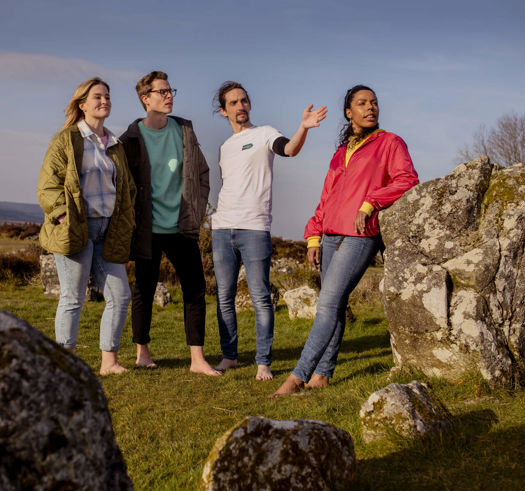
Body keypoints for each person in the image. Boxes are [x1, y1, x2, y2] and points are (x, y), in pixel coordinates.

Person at [273, 85, 419, 396]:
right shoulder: (341, 152)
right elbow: (327, 198)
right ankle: (323, 374)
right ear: (348, 112)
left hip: (360, 235)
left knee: (327, 303)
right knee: (334, 305)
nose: (371, 108)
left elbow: (407, 179)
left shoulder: (390, 143)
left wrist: (371, 203)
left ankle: (298, 377)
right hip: (329, 235)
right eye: (362, 103)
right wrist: (313, 235)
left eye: (374, 103)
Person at [211, 81, 328, 381]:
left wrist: (303, 128)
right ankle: (230, 357)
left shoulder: (264, 134)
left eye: (244, 100)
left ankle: (263, 362)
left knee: (261, 296)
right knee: (224, 296)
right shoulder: (224, 148)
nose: (241, 106)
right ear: (223, 111)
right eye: (234, 103)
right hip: (222, 228)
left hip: (254, 228)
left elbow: (288, 149)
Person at [120, 71, 220, 376]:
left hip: (182, 227)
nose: (168, 95)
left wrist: (196, 210)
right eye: (161, 91)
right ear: (145, 99)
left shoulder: (184, 129)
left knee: (195, 289)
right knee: (144, 290)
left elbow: (201, 173)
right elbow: (121, 185)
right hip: (147, 229)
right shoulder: (130, 139)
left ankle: (197, 359)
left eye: (170, 90)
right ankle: (142, 352)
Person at [37, 77, 136, 375]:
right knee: (73, 296)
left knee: (120, 296)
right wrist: (65, 217)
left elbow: (127, 187)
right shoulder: (66, 139)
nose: (104, 101)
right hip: (76, 228)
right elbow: (48, 185)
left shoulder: (115, 145)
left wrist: (128, 219)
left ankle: (109, 363)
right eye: (97, 97)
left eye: (107, 96)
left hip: (110, 230)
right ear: (82, 105)